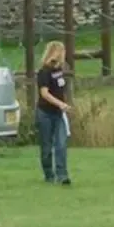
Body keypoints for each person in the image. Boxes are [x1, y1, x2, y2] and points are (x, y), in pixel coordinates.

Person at [34, 40, 71, 185]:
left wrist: (63, 105)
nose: (63, 54)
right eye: (61, 51)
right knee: (47, 147)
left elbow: (60, 89)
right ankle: (49, 175)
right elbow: (44, 93)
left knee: (61, 144)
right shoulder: (44, 72)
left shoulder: (59, 71)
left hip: (58, 114)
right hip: (45, 113)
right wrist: (60, 103)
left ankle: (62, 175)